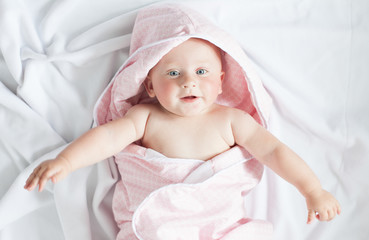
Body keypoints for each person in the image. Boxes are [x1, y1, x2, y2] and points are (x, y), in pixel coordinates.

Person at [24, 4, 340, 239]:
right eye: (173, 73)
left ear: (221, 81)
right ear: (149, 85)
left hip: (220, 227)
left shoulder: (231, 120)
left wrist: (312, 189)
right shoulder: (144, 117)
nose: (188, 82)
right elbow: (106, 139)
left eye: (201, 72)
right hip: (156, 228)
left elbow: (273, 152)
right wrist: (66, 161)